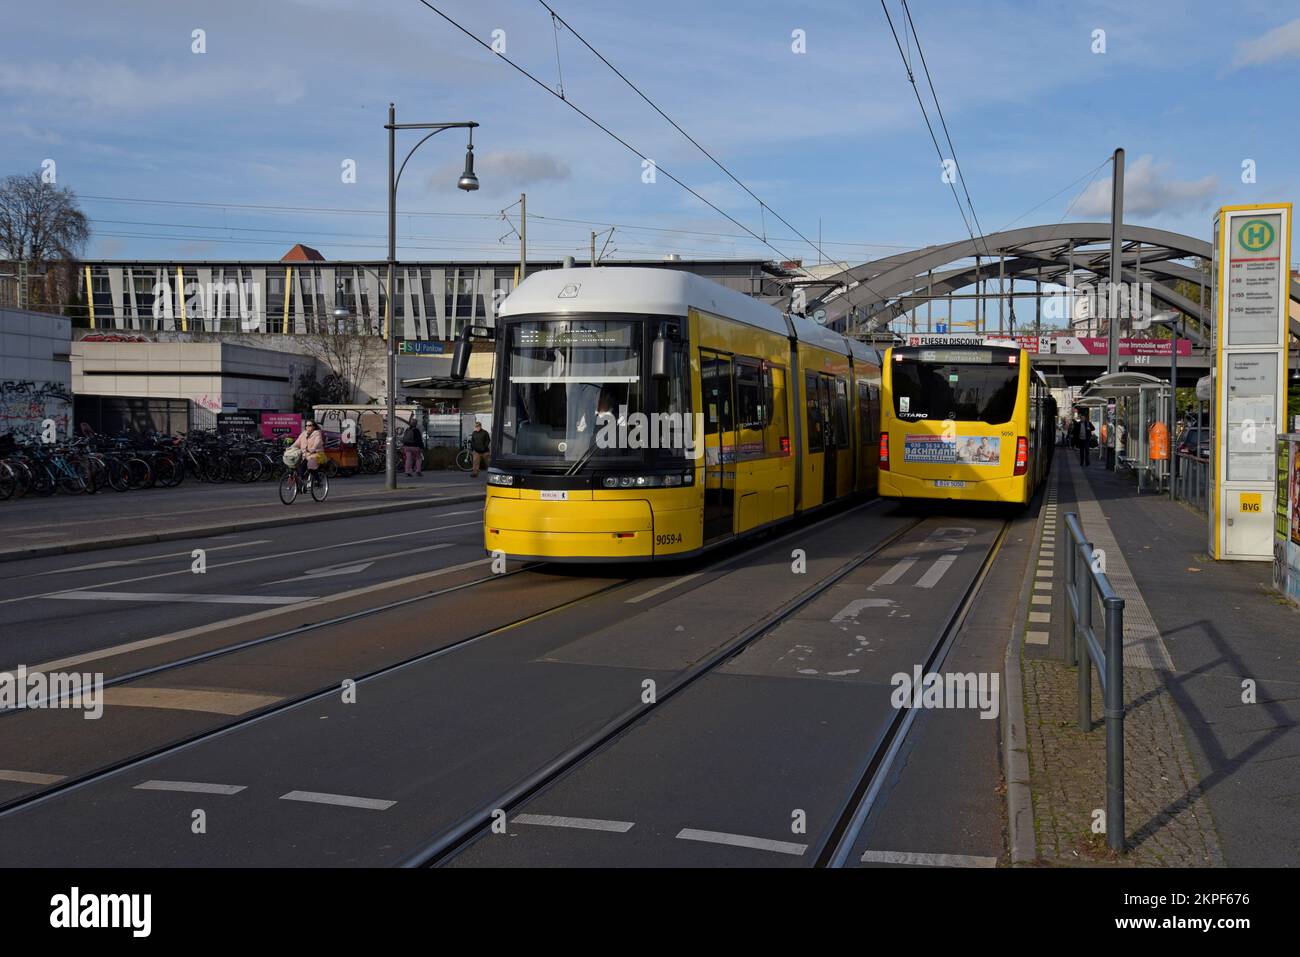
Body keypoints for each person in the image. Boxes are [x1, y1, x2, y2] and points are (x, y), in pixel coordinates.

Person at [290, 419, 325, 485]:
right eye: (306, 425)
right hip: (305, 455)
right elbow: (297, 442)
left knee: (311, 467)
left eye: (309, 425)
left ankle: (318, 480)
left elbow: (318, 442)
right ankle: (301, 486)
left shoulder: (317, 433)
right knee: (300, 470)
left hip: (316, 454)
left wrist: (313, 448)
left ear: (314, 427)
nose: (307, 427)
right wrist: (290, 448)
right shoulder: (303, 434)